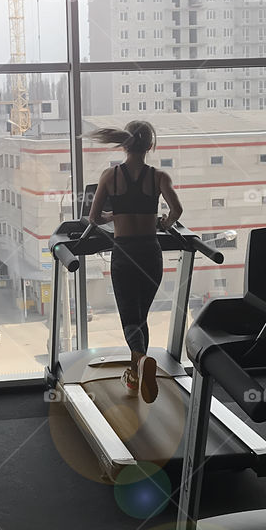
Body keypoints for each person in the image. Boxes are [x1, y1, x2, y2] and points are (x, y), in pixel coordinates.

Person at [85, 121, 183, 403]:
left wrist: (111, 217)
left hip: (124, 253)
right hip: (151, 252)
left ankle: (140, 361)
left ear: (124, 144)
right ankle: (136, 374)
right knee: (140, 317)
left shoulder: (110, 176)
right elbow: (176, 209)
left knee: (130, 318)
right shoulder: (159, 176)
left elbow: (93, 218)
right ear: (150, 146)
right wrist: (165, 222)